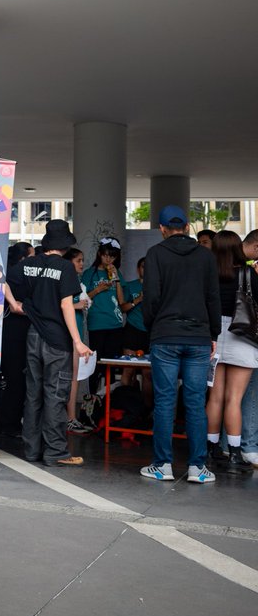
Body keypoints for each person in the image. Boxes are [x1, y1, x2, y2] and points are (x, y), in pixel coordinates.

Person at [140, 205, 221, 483]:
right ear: (186, 227)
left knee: (164, 401)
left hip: (165, 335)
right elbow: (213, 297)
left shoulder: (155, 254)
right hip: (199, 338)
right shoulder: (205, 256)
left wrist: (154, 327)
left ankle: (162, 465)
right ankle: (198, 468)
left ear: (162, 229)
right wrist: (213, 333)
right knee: (196, 402)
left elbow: (150, 297)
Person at [8, 221, 92, 467]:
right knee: (56, 395)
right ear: (65, 245)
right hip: (57, 339)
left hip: (33, 335)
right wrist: (78, 341)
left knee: (33, 394)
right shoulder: (64, 267)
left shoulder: (28, 264)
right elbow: (67, 305)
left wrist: (14, 304)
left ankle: (32, 450)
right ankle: (55, 451)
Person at [205, 230, 258, 474]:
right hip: (242, 334)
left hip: (213, 335)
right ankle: (235, 454)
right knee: (234, 399)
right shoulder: (249, 274)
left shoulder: (207, 274)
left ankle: (209, 449)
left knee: (215, 397)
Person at [0, 240, 34, 437]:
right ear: (22, 259)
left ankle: (8, 423)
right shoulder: (17, 277)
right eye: (31, 256)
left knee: (13, 381)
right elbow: (18, 307)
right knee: (16, 381)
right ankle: (10, 424)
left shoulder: (9, 275)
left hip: (9, 334)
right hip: (15, 336)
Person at [82, 237, 126, 389]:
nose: (108, 259)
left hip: (115, 324)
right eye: (105, 255)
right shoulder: (89, 273)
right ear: (99, 254)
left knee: (112, 365)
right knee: (96, 363)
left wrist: (117, 279)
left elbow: (122, 301)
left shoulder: (116, 273)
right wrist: (98, 289)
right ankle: (93, 400)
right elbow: (83, 299)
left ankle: (109, 402)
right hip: (97, 324)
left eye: (112, 256)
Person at [64, 247, 92, 433]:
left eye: (82, 260)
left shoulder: (79, 283)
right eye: (78, 260)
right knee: (70, 378)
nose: (82, 264)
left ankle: (70, 417)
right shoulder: (66, 281)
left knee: (74, 377)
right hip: (67, 335)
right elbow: (61, 306)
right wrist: (77, 305)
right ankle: (69, 418)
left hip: (77, 334)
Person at [119, 256, 152, 406]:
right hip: (132, 330)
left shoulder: (158, 286)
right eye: (143, 266)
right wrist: (137, 300)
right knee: (128, 371)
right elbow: (123, 308)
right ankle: (125, 409)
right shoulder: (130, 286)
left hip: (150, 333)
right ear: (138, 269)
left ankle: (146, 411)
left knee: (148, 374)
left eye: (148, 266)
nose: (145, 269)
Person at [240, 229, 258, 466]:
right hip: (247, 337)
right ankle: (249, 445)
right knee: (249, 393)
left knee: (228, 396)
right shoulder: (246, 271)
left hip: (235, 334)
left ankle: (226, 445)